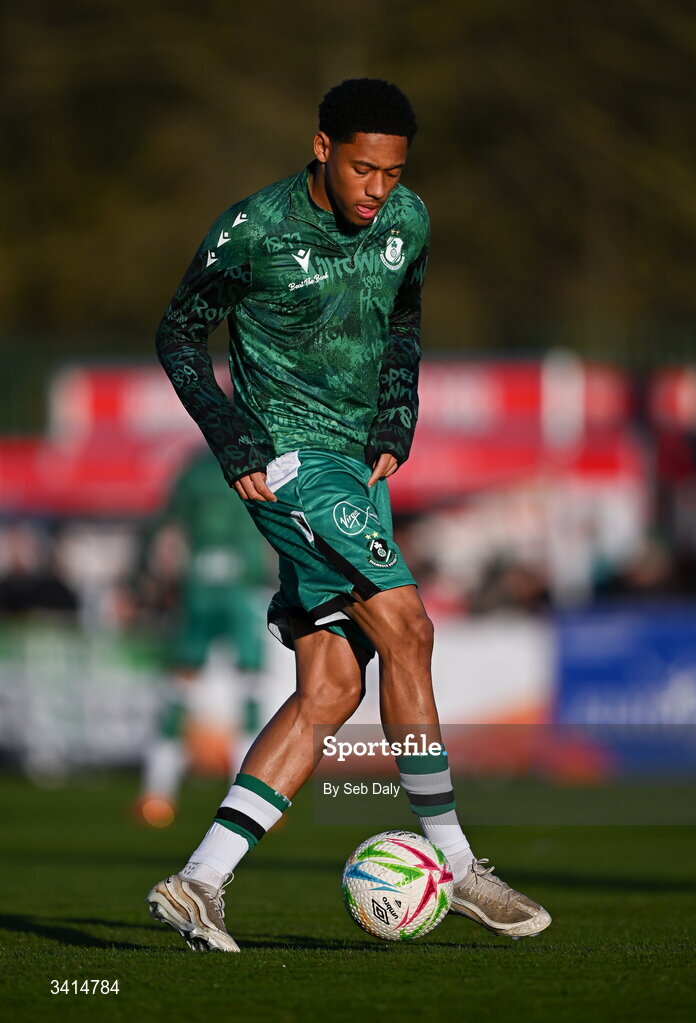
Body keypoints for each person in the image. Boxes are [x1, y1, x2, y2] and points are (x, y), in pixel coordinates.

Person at [147, 78, 551, 951]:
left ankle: (198, 881)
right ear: (322, 147)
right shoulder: (253, 228)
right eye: (364, 168)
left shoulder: (410, 221)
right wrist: (232, 439)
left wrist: (393, 418)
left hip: (358, 470)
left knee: (331, 687)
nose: (378, 189)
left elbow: (404, 320)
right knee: (408, 627)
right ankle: (456, 863)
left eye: (394, 172)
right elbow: (179, 332)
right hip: (290, 463)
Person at [133, 448, 268, 827]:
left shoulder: (192, 471)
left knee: (179, 691)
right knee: (251, 691)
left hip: (198, 589)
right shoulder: (262, 457)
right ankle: (250, 801)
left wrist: (142, 579)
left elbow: (161, 528)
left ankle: (156, 792)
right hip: (243, 589)